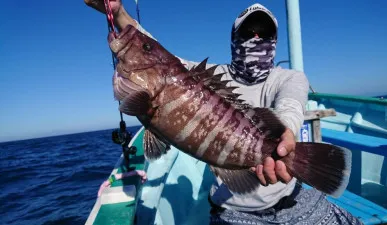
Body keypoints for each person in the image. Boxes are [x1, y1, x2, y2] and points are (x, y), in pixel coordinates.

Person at [85, 1, 362, 224]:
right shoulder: (207, 75)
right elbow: (162, 58)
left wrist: (285, 140)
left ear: (275, 41)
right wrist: (118, 12)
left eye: (264, 33)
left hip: (294, 200)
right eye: (248, 31)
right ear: (234, 38)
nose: (256, 37)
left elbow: (290, 107)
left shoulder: (289, 78)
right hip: (234, 213)